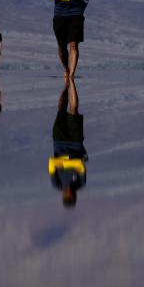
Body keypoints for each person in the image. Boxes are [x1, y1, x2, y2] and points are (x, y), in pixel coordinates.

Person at [48, 0, 88, 79]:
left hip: (76, 12)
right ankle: (65, 69)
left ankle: (71, 75)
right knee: (61, 45)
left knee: (73, 43)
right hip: (60, 14)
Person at [49, 78, 88, 209]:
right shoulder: (80, 183)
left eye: (66, 195)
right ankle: (71, 80)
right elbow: (80, 165)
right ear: (75, 195)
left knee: (61, 108)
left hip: (59, 141)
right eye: (71, 194)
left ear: (63, 195)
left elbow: (51, 163)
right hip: (75, 142)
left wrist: (70, 161)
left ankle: (66, 85)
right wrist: (66, 162)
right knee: (74, 109)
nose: (69, 191)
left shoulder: (57, 184)